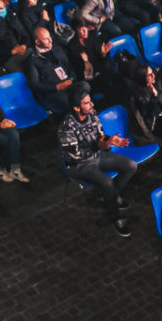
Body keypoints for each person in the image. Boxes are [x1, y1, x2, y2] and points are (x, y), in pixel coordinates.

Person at [57, 90, 137, 237]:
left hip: (98, 155)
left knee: (131, 165)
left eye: (90, 100)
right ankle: (115, 216)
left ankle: (111, 196)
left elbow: (100, 134)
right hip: (79, 164)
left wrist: (109, 141)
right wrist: (101, 145)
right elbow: (75, 153)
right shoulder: (66, 126)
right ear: (76, 107)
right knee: (107, 183)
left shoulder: (92, 114)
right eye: (87, 103)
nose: (92, 104)